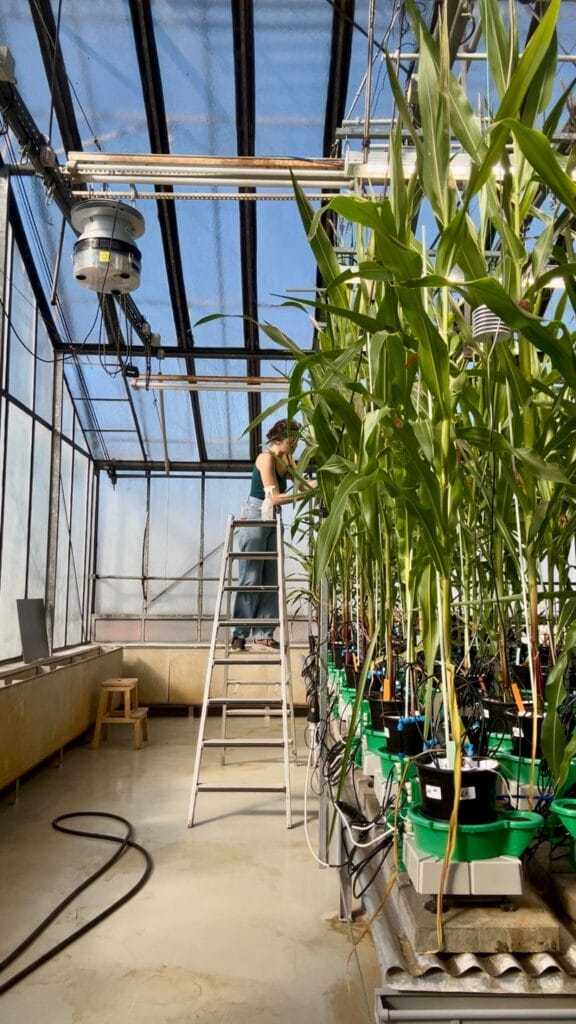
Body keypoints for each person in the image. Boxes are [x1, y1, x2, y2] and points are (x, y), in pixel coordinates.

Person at [231, 419, 314, 651]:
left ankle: (264, 633)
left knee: (271, 578)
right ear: (279, 439)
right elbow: (275, 497)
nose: (296, 443)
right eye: (292, 439)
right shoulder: (266, 458)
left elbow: (303, 486)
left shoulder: (287, 461)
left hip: (274, 517)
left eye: (297, 439)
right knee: (251, 576)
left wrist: (325, 483)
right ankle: (239, 633)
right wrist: (304, 495)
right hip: (257, 513)